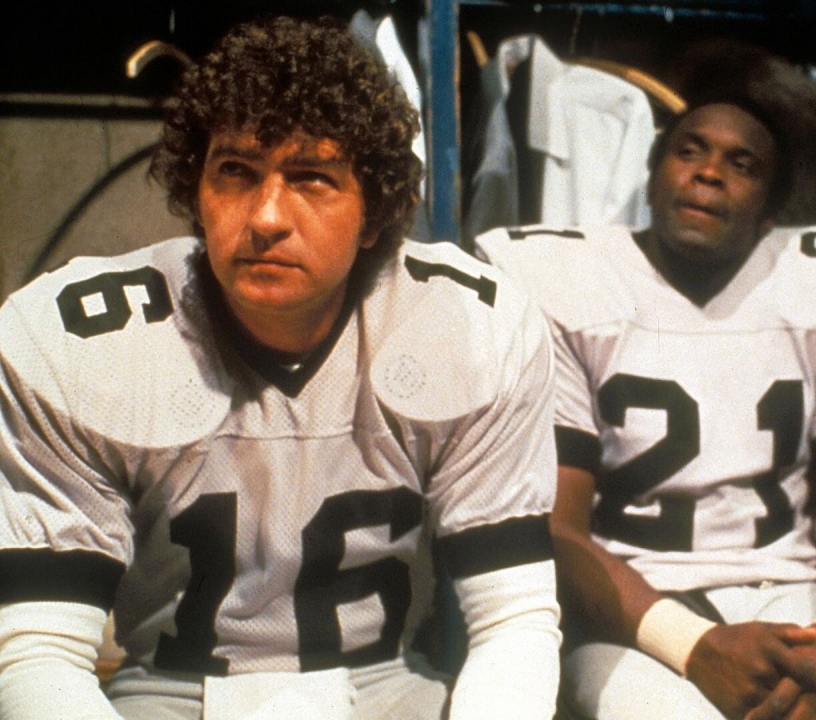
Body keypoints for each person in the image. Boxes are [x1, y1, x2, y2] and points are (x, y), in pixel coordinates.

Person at [0, 16, 560, 720]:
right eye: (235, 171)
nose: (266, 216)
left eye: (311, 178)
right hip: (167, 698)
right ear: (195, 188)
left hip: (387, 695)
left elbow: (513, 620)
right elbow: (38, 653)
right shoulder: (75, 340)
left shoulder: (469, 326)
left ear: (374, 212)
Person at [477, 95, 816, 719]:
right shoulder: (563, 282)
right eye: (688, 151)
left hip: (793, 595)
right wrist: (692, 647)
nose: (708, 172)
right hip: (632, 607)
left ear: (771, 212)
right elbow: (558, 529)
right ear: (651, 177)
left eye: (741, 164)